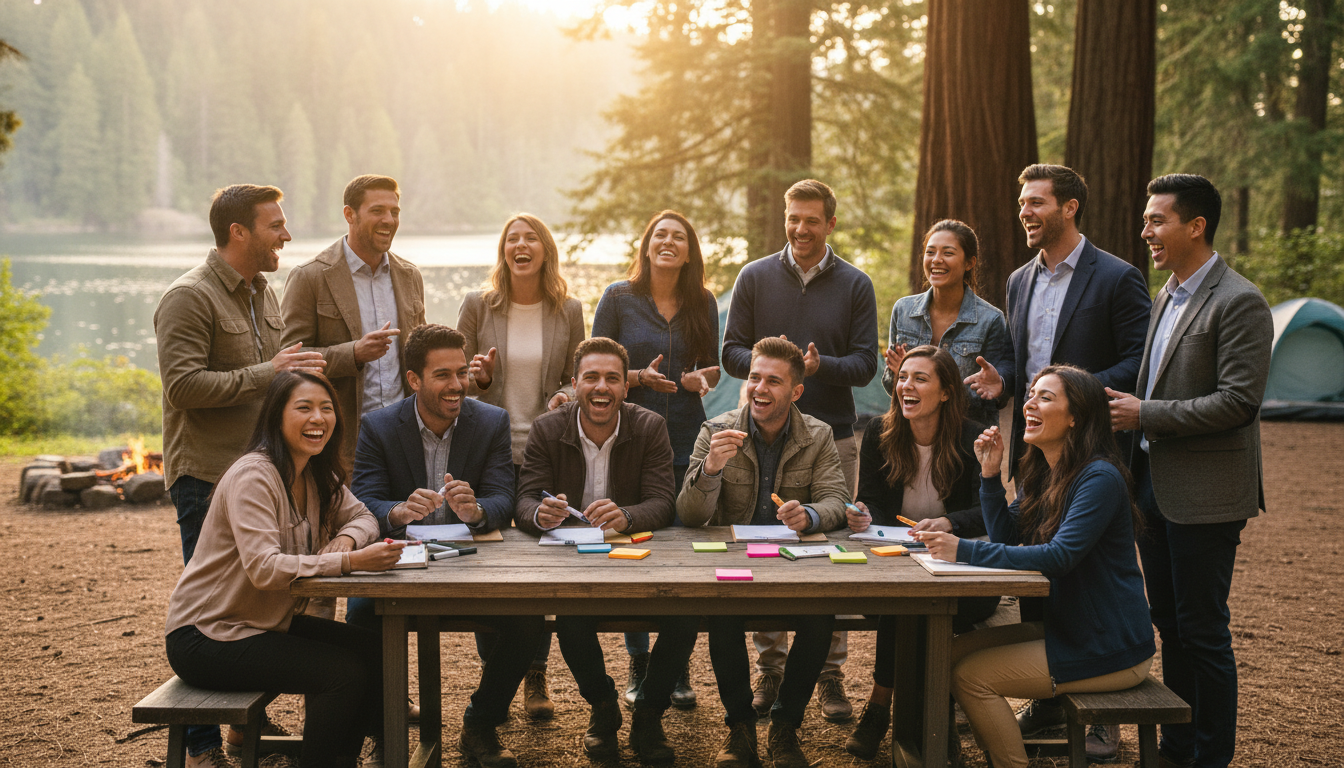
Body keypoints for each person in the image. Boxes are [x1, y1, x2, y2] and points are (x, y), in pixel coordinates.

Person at [963, 163, 1151, 759]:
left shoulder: (1118, 277)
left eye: (1036, 202)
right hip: (1040, 443)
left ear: (1069, 208)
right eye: (1022, 202)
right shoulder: (1020, 281)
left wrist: (1074, 391)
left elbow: (1139, 359)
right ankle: (1044, 693)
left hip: (1086, 439)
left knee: (1076, 561)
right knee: (1031, 535)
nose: (1024, 211)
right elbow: (1027, 367)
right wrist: (1008, 383)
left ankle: (1095, 716)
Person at [154, 183, 325, 764]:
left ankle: (243, 728)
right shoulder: (189, 297)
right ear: (239, 233)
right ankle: (202, 745)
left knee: (262, 607)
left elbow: (281, 370)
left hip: (259, 478)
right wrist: (265, 373)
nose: (287, 234)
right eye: (276, 225)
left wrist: (348, 357)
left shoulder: (261, 293)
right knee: (216, 614)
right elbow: (182, 387)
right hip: (207, 475)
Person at [1106, 174, 1273, 768]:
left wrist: (1145, 412)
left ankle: (1211, 757)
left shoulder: (1240, 300)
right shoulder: (1166, 295)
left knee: (1203, 631)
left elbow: (1239, 401)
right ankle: (1175, 748)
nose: (1145, 231)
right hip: (1152, 484)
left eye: (1156, 221)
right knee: (1168, 625)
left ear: (1195, 226)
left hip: (1207, 494)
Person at [163, 371, 406, 768]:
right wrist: (348, 562)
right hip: (207, 635)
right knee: (341, 674)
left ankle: (343, 760)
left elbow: (364, 517)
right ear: (277, 416)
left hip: (261, 623)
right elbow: (264, 569)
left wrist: (344, 541)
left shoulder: (314, 472)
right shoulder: (253, 476)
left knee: (372, 648)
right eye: (304, 408)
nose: (318, 418)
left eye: (327, 409)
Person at [917, 365, 1156, 768]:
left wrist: (963, 551)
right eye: (1030, 394)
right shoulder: (1044, 470)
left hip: (1109, 644)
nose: (1029, 403)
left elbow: (1058, 558)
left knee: (972, 677)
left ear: (1076, 416)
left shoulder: (1099, 478)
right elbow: (1010, 539)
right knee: (946, 652)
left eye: (1045, 397)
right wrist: (990, 476)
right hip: (1069, 627)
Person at [721, 179, 879, 723]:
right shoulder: (754, 276)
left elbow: (866, 365)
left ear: (830, 224)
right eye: (793, 218)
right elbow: (731, 351)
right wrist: (777, 371)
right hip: (764, 435)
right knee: (766, 544)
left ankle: (830, 673)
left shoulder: (856, 284)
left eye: (812, 220)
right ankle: (771, 665)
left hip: (831, 435)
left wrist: (817, 368)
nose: (801, 229)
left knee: (827, 545)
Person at [349, 324, 542, 768]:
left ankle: (480, 723)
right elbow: (364, 502)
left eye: (461, 373)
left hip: (472, 562)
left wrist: (475, 511)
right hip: (401, 562)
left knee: (528, 617)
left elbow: (503, 497)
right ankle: (383, 728)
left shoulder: (491, 420)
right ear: (414, 380)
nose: (457, 385)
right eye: (443, 375)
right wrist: (397, 511)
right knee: (361, 612)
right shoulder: (378, 426)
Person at [515, 337, 696, 765]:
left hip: (637, 555)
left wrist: (627, 516)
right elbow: (522, 501)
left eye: (612, 378)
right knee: (571, 615)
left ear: (626, 388)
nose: (601, 387)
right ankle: (603, 706)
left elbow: (663, 501)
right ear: (575, 383)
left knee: (688, 611)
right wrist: (541, 514)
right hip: (572, 556)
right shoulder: (547, 427)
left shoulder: (650, 425)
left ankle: (650, 712)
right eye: (591, 377)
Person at [677, 337, 848, 768]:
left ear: (796, 392)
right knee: (723, 612)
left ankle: (786, 727)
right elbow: (690, 516)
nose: (760, 388)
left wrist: (809, 514)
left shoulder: (819, 434)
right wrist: (710, 470)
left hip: (794, 563)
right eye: (754, 377)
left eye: (774, 380)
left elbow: (836, 501)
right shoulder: (715, 430)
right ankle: (740, 729)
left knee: (820, 614)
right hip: (737, 562)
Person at [456, 213, 585, 716]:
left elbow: (577, 378)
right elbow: (455, 381)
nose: (521, 244)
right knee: (489, 564)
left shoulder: (567, 309)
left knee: (538, 562)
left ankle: (535, 676)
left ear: (544, 249)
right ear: (504, 251)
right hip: (488, 452)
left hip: (544, 453)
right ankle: (498, 675)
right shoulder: (477, 306)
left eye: (531, 237)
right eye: (513, 238)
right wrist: (478, 378)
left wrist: (563, 396)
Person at [842, 345, 998, 760]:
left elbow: (991, 510)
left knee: (918, 607)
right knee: (904, 601)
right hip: (895, 556)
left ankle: (879, 707)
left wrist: (950, 523)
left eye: (920, 378)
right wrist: (861, 515)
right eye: (904, 377)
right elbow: (870, 501)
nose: (906, 386)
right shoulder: (879, 431)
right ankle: (935, 720)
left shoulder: (971, 436)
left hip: (960, 563)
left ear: (946, 392)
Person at [592, 209, 720, 712]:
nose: (668, 243)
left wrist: (697, 380)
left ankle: (677, 662)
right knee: (635, 545)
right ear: (647, 246)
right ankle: (639, 660)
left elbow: (707, 364)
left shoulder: (703, 301)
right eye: (660, 235)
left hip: (686, 436)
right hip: (629, 437)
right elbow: (596, 359)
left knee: (682, 547)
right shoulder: (618, 298)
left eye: (679, 238)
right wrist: (640, 379)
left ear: (689, 252)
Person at [281, 174, 426, 466]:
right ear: (349, 214)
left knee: (405, 513)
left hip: (405, 437)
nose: (389, 220)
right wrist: (353, 353)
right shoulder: (309, 276)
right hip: (340, 441)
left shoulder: (410, 275)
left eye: (394, 212)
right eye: (377, 211)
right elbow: (291, 362)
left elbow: (420, 353)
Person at [882, 220, 1012, 430]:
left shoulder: (991, 319)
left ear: (969, 263)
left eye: (948, 253)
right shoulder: (903, 310)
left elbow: (987, 398)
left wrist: (913, 380)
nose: (936, 260)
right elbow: (891, 385)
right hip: (912, 436)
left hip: (965, 439)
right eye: (930, 252)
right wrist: (899, 376)